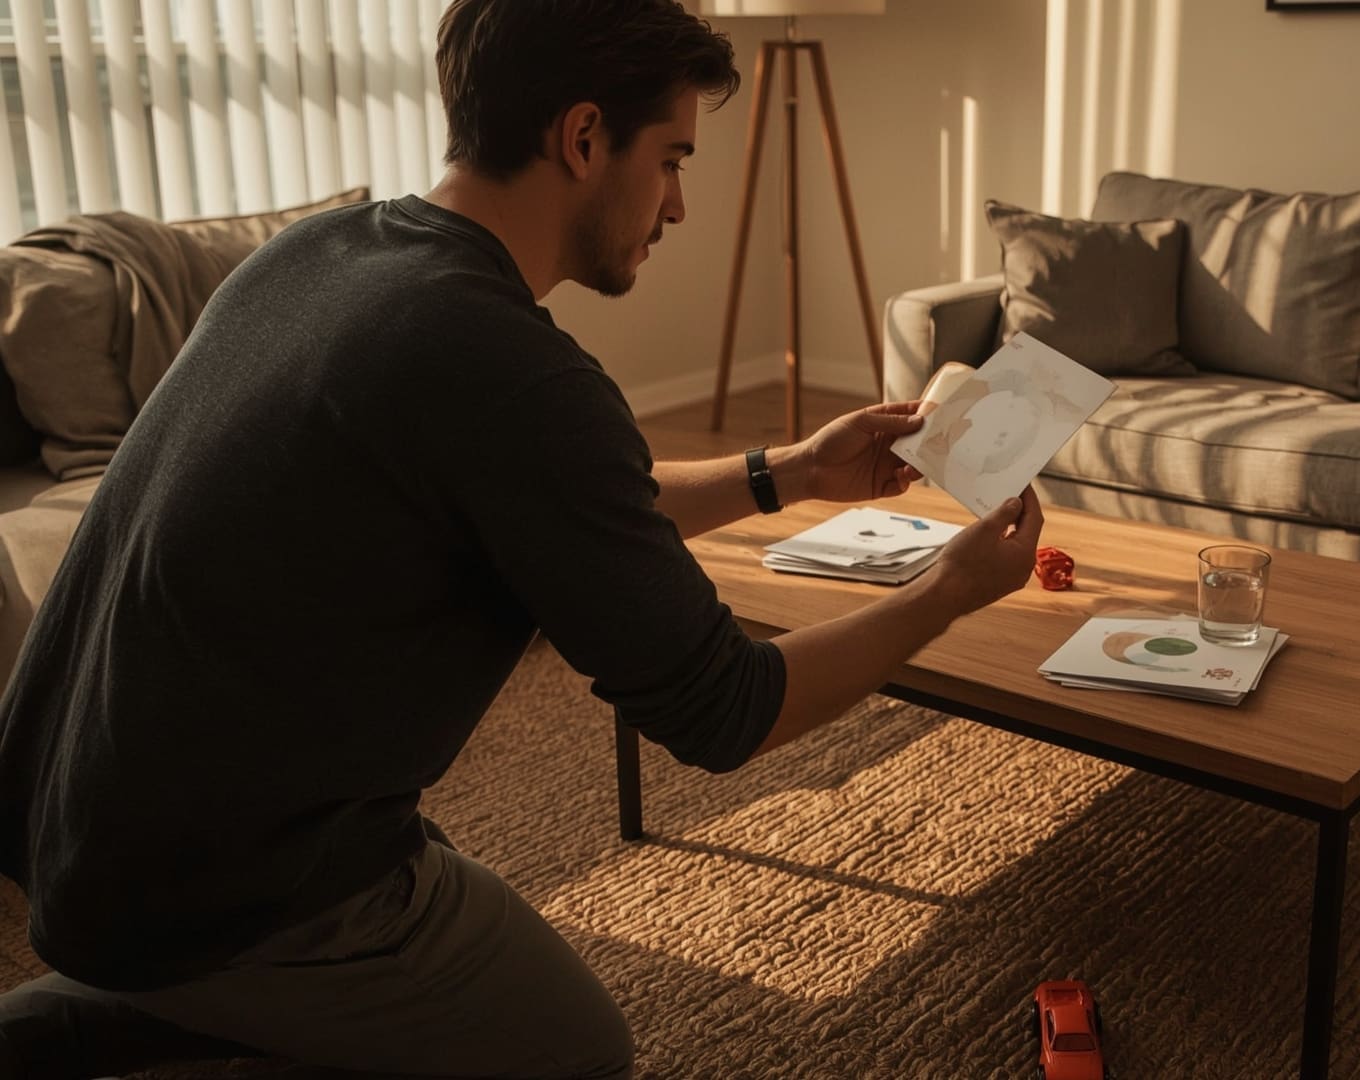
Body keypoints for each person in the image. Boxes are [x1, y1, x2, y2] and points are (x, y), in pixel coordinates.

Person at [0, 2, 1043, 1077]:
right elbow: (728, 710)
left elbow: (567, 499)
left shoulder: (322, 253)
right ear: (584, 137)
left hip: (68, 813)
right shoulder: (509, 370)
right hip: (220, 878)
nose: (678, 203)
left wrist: (793, 472)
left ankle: (132, 998)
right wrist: (948, 589)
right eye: (671, 158)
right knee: (576, 1053)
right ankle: (128, 1021)